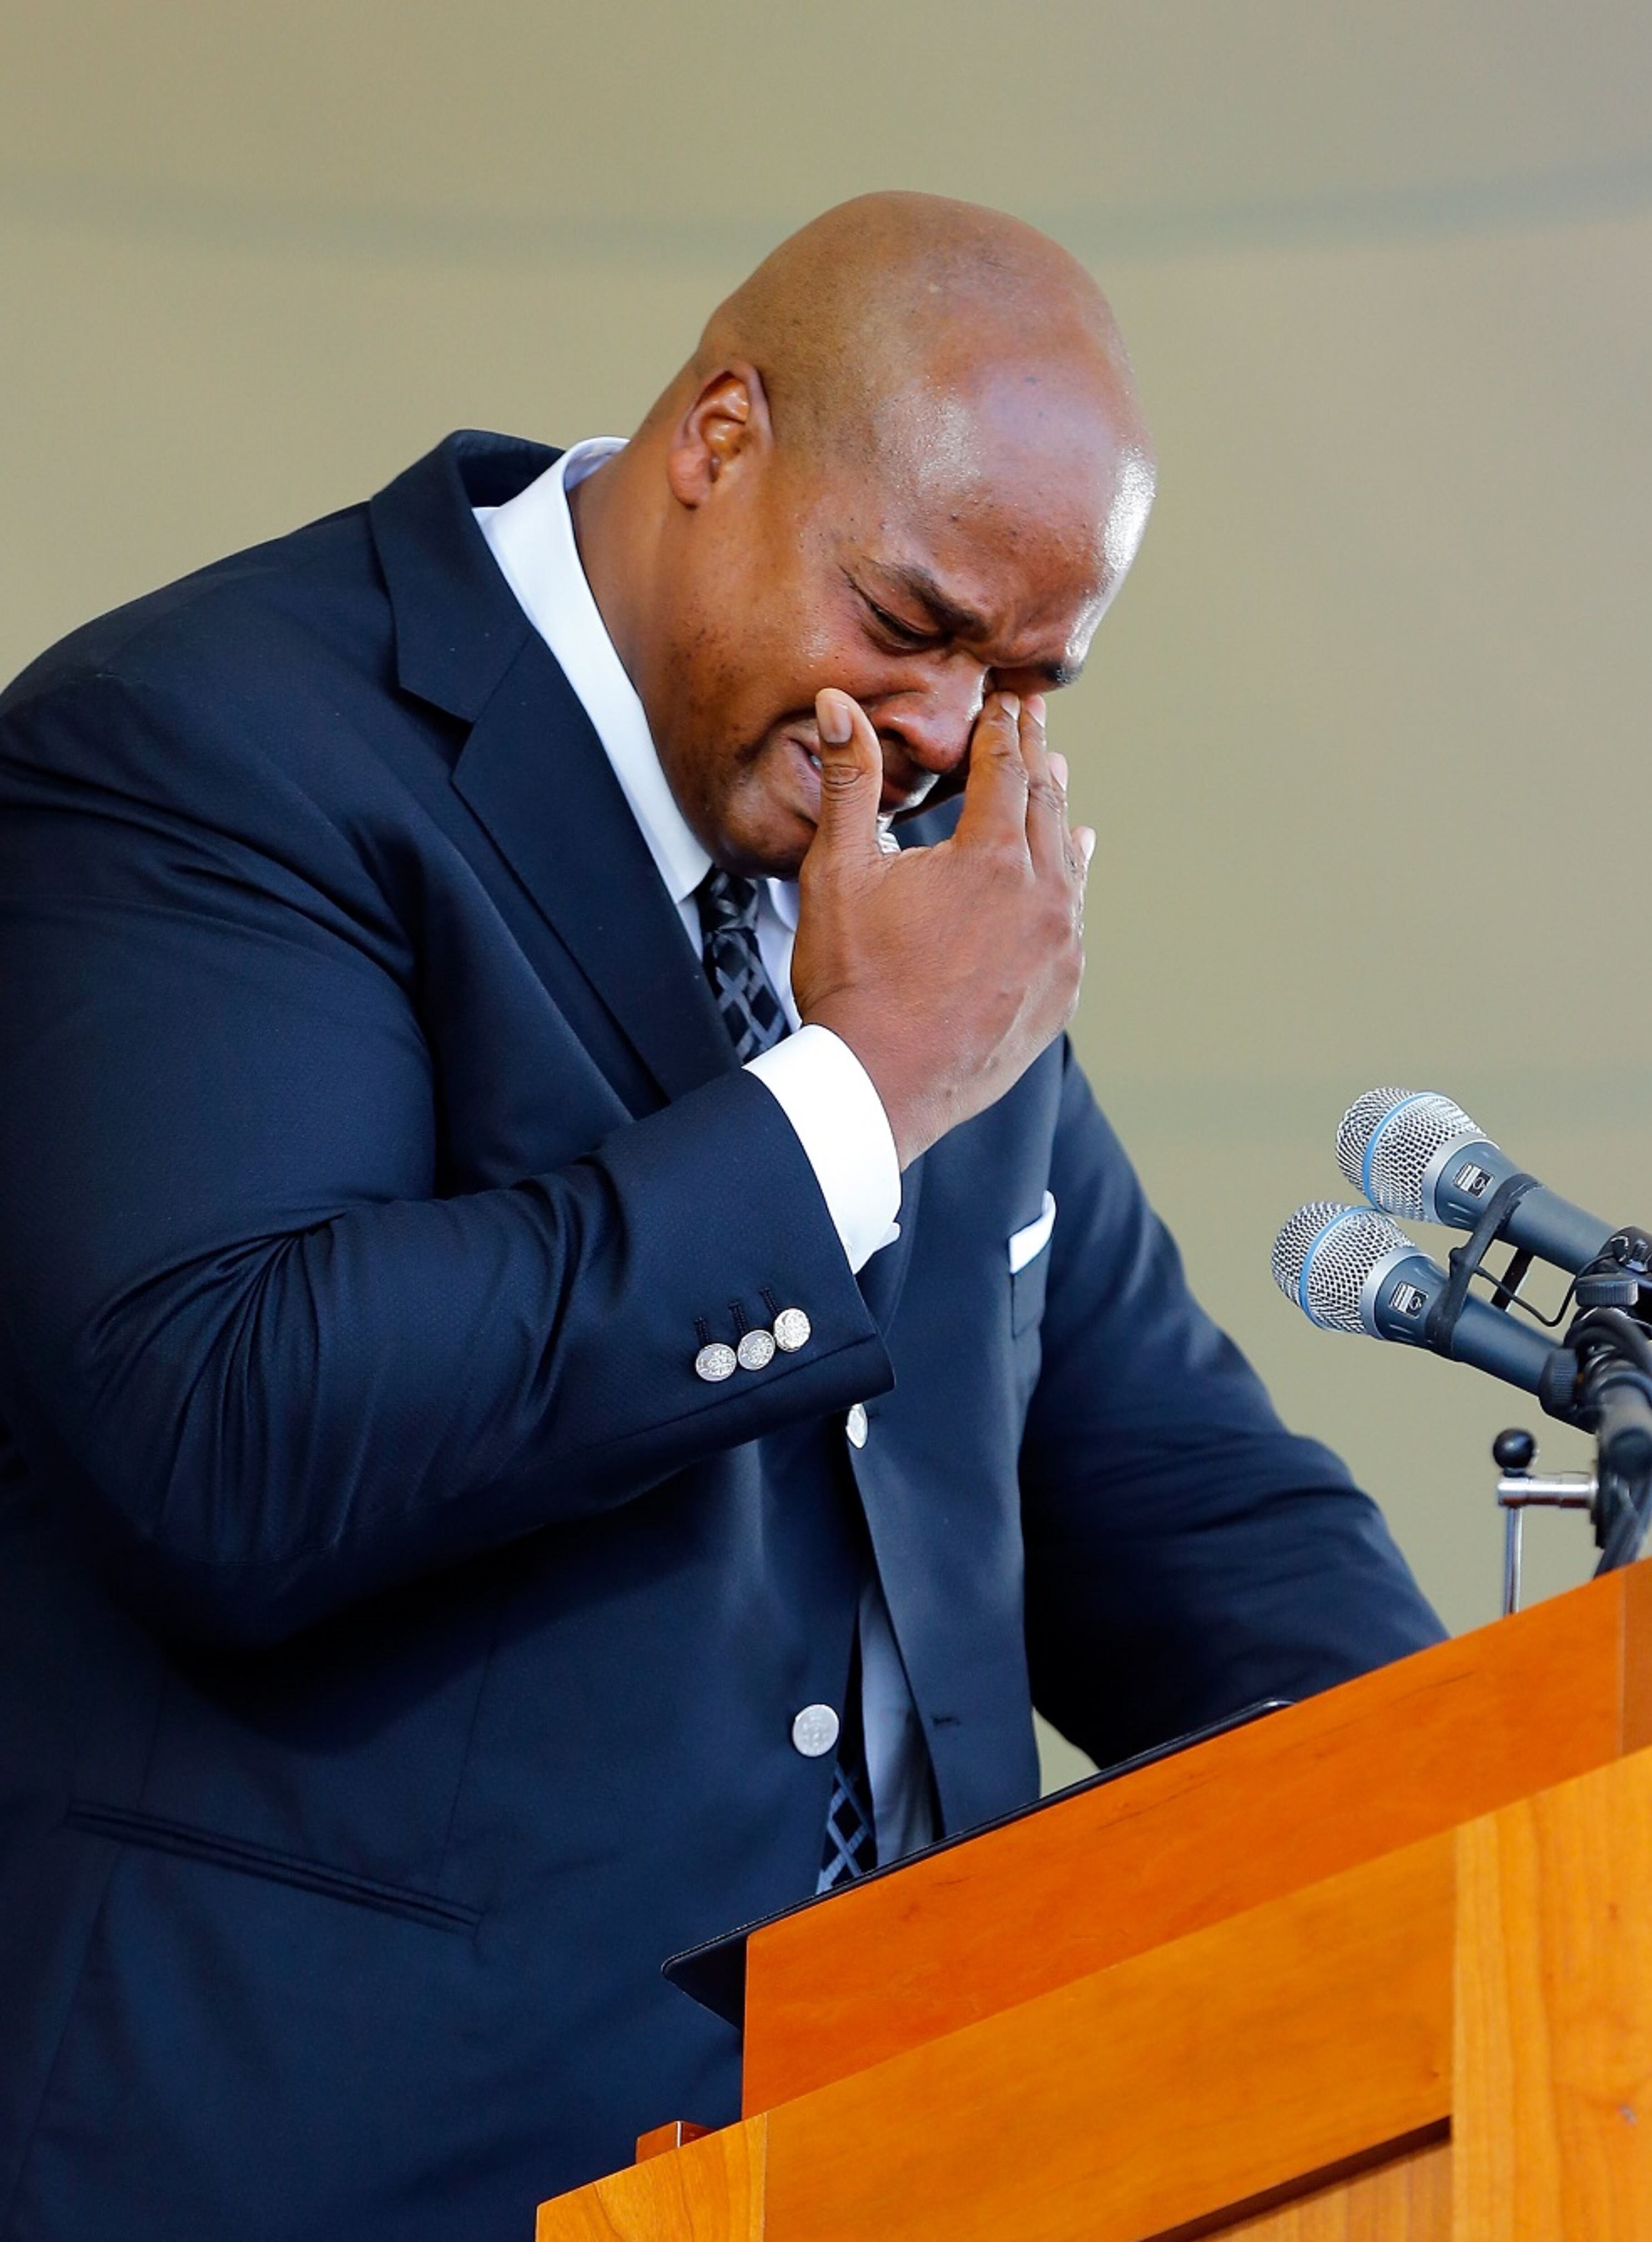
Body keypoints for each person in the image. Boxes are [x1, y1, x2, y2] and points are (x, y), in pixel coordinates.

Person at [0, 192, 1441, 2238]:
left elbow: (1194, 1502)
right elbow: (226, 1421)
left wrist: (1464, 1806)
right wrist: (854, 1092)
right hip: (336, 2159)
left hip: (887, 2165)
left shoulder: (924, 889)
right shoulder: (207, 745)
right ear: (718, 441)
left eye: (1033, 673)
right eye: (915, 621)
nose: (949, 734)